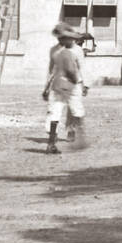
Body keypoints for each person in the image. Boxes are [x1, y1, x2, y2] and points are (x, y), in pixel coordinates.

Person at [41, 22, 87, 155]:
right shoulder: (66, 52)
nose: (71, 40)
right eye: (68, 38)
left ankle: (51, 144)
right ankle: (80, 138)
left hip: (57, 85)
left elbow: (53, 71)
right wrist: (78, 82)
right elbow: (72, 71)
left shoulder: (58, 51)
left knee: (55, 112)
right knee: (77, 110)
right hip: (69, 86)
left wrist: (47, 87)